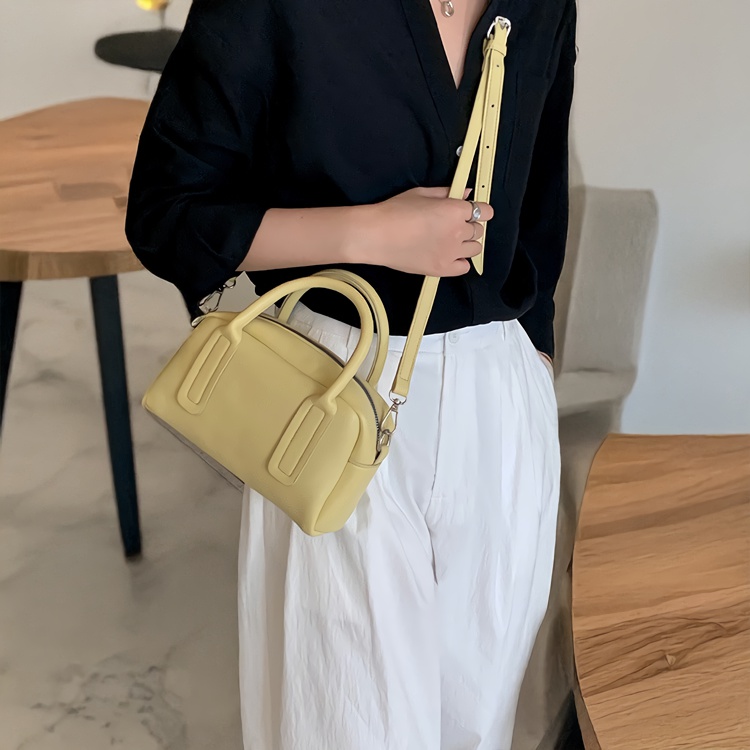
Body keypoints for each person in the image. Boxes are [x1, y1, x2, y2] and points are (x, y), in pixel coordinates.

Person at [125, 0, 576, 746]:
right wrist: (371, 232)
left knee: (481, 723)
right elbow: (167, 213)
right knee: (344, 722)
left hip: (500, 402)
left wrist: (533, 353)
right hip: (333, 386)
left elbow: (542, 196)